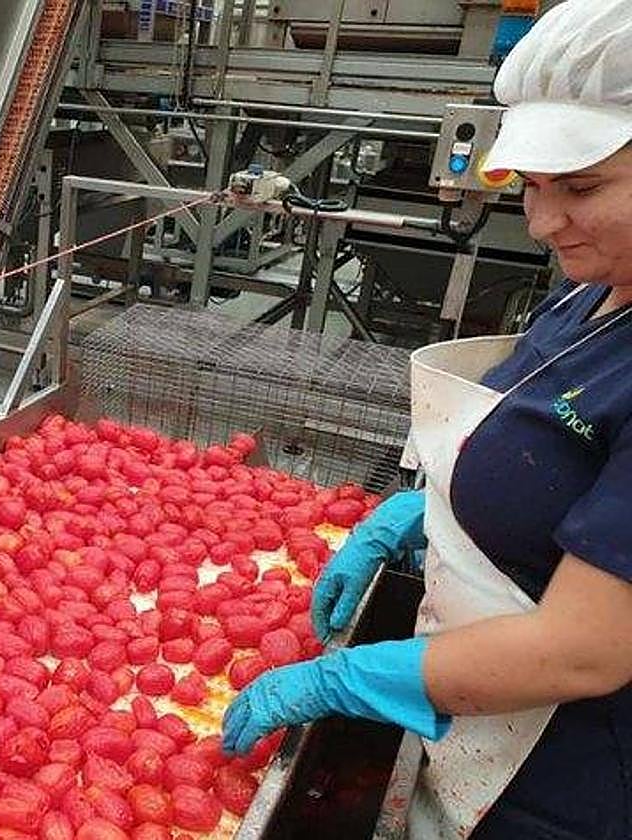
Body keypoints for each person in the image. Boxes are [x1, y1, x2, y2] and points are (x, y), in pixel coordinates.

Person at [221, 2, 632, 837]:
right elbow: (538, 453)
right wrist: (420, 512)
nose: (543, 223)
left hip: (568, 784)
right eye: (533, 187)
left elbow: (586, 649)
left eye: (582, 186)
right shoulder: (587, 296)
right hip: (477, 723)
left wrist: (342, 679)